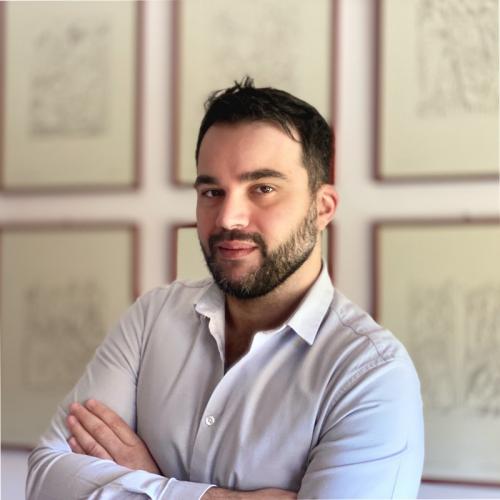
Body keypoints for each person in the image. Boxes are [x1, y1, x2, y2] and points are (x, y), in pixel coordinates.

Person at [27, 78, 424, 499]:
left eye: (263, 189)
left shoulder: (371, 374)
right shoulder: (151, 319)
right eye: (212, 191)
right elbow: (46, 479)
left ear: (322, 208)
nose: (229, 218)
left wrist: (145, 480)